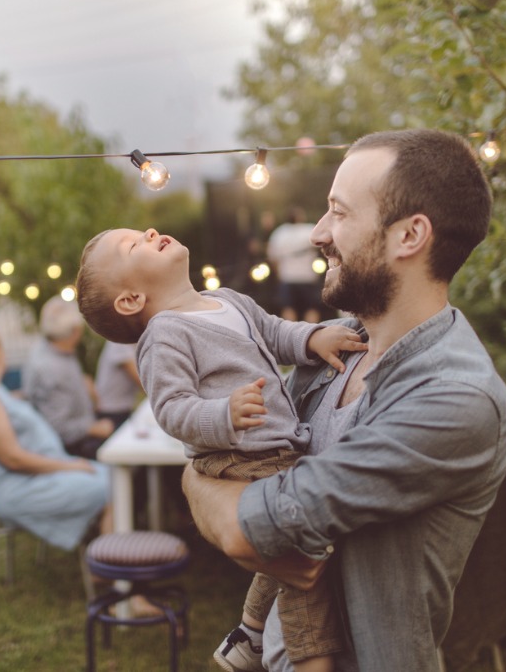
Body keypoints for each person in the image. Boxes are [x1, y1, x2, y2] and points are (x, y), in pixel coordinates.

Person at [180, 129, 506, 671]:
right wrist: (207, 481)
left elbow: (250, 526)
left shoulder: (456, 398)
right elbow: (231, 470)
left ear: (409, 236)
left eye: (338, 213)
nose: (317, 233)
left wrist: (204, 486)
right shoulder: (333, 349)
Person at [76, 227, 368, 672]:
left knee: (294, 554)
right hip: (238, 456)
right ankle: (312, 659)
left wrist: (312, 339)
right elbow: (171, 410)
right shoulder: (164, 334)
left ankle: (250, 635)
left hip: (276, 448)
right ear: (131, 299)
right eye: (132, 244)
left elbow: (274, 333)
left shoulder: (229, 299)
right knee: (303, 553)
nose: (150, 231)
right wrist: (223, 414)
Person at [0, 324, 111, 551]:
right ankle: (109, 567)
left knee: (115, 476)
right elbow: (13, 459)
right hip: (20, 488)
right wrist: (68, 465)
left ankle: (108, 555)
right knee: (114, 484)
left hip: (34, 479)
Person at [20, 296, 115, 460]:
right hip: (69, 451)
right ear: (75, 331)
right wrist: (93, 428)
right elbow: (57, 427)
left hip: (80, 436)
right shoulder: (50, 368)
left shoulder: (55, 350)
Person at [267, 207, 324, 323]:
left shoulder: (279, 233)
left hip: (287, 277)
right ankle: (312, 335)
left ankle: (291, 338)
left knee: (288, 308)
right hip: (308, 277)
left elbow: (272, 258)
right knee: (311, 308)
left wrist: (279, 274)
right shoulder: (309, 230)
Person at [93, 340, 144, 430]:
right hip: (112, 411)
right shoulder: (118, 343)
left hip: (120, 408)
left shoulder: (128, 343)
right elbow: (141, 380)